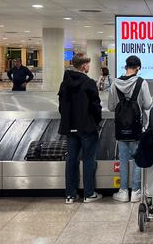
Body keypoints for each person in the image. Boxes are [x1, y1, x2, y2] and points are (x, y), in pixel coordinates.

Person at [58, 52, 102, 204]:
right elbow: (96, 106)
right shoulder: (89, 83)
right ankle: (88, 194)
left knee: (71, 159)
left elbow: (61, 106)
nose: (89, 66)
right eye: (88, 64)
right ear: (84, 66)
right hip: (87, 127)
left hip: (70, 127)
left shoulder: (65, 83)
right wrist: (96, 121)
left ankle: (70, 194)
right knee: (89, 159)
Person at [108, 55, 152, 203]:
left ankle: (123, 191)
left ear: (126, 66)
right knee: (138, 158)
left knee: (123, 160)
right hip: (137, 127)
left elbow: (110, 107)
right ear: (138, 67)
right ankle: (136, 191)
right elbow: (147, 105)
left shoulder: (115, 83)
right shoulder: (142, 83)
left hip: (121, 128)